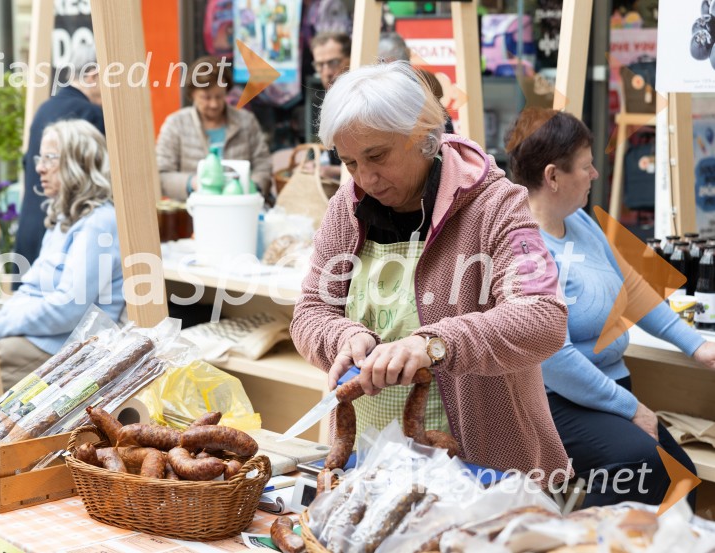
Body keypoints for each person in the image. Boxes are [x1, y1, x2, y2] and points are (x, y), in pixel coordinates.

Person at [290, 61, 571, 484]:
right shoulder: (345, 207)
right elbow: (311, 311)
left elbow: (543, 317)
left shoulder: (497, 205)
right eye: (349, 162)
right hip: (363, 462)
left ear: (423, 138)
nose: (365, 178)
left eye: (377, 156)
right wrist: (342, 337)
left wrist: (435, 345)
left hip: (479, 469)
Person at [505, 108, 715, 507]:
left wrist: (697, 345)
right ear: (553, 177)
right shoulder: (523, 247)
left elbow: (632, 290)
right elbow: (556, 359)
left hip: (610, 391)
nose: (595, 175)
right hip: (557, 402)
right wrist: (633, 409)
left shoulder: (581, 221)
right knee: (643, 467)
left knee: (681, 477)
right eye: (585, 167)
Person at [0, 120, 125, 391]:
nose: (39, 167)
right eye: (40, 158)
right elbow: (36, 292)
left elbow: (67, 308)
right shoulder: (66, 216)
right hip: (48, 339)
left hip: (71, 348)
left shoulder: (98, 222)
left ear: (80, 163)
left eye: (50, 158)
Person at [15, 43, 105, 268]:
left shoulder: (46, 107)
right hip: (66, 235)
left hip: (30, 227)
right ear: (93, 76)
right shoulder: (91, 114)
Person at [155, 55, 272, 200]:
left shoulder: (246, 122)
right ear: (192, 95)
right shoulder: (176, 125)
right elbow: (162, 174)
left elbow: (263, 165)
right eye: (206, 97)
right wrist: (193, 183)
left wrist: (252, 187)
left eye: (219, 96)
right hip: (191, 212)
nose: (214, 104)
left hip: (239, 208)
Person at [311, 32, 352, 181]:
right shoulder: (329, 100)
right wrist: (317, 165)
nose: (327, 72)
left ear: (351, 59)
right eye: (320, 65)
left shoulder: (363, 102)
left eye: (333, 62)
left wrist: (333, 171)